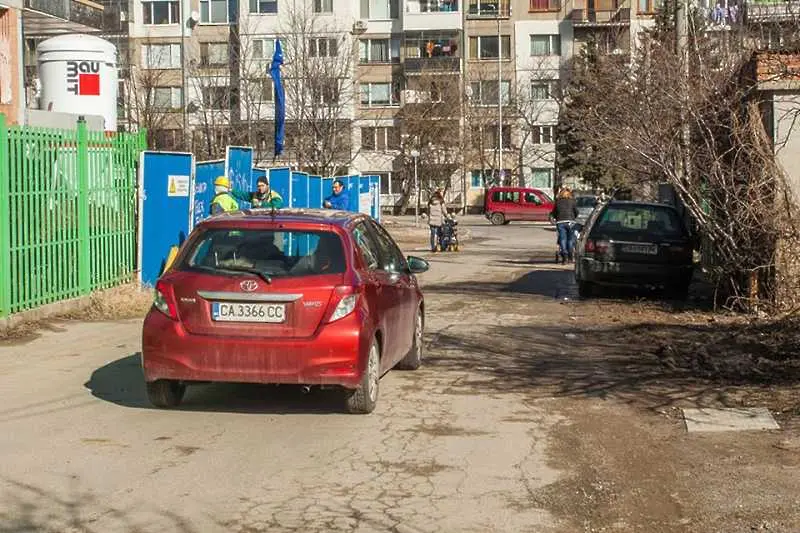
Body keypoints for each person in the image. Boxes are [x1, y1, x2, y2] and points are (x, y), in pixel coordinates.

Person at [551, 187, 579, 264]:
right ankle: (570, 255)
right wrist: (574, 218)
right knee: (570, 239)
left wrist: (555, 218)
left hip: (560, 222)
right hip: (570, 222)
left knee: (562, 239)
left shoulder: (558, 202)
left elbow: (554, 212)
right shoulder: (572, 201)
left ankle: (565, 256)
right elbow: (576, 211)